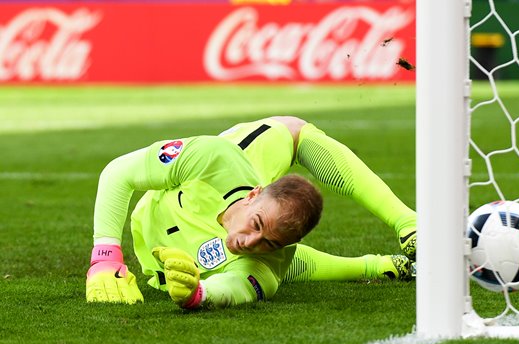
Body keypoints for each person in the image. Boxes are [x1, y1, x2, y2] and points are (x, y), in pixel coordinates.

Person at [86, 116, 417, 309]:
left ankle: (381, 266)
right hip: (202, 182)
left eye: (268, 242)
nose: (249, 240)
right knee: (297, 131)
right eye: (256, 224)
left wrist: (198, 295)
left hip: (191, 263)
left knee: (267, 265)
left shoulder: (269, 259)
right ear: (255, 194)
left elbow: (237, 288)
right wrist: (106, 258)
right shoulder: (213, 159)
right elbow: (118, 173)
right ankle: (411, 223)